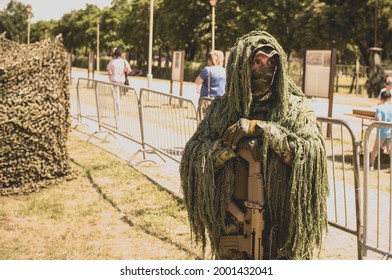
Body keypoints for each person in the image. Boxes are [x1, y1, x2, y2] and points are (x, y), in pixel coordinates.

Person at [180, 30, 329, 260]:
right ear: (242, 66)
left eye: (271, 62)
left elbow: (311, 154)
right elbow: (194, 155)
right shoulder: (222, 110)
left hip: (281, 228)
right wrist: (229, 146)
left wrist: (265, 130)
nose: (264, 68)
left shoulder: (296, 109)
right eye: (257, 61)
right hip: (233, 225)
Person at [370, 90, 392, 170]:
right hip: (390, 132)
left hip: (381, 132)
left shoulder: (379, 108)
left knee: (375, 149)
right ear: (390, 98)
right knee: (390, 150)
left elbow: (378, 120)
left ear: (381, 98)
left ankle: (371, 164)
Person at [107, 47, 132, 114]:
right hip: (122, 80)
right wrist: (124, 71)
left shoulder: (112, 62)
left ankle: (117, 110)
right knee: (119, 95)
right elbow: (129, 70)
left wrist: (110, 77)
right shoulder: (124, 61)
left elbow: (109, 72)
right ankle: (118, 108)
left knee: (116, 95)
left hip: (114, 80)